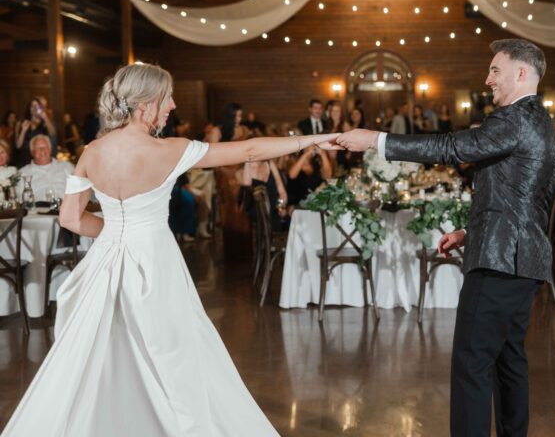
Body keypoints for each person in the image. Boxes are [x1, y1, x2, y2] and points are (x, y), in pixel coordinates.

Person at [1, 63, 341, 436]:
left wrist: (116, 232)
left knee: (103, 357)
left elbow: (70, 218)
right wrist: (309, 141)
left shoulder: (92, 152)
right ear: (145, 104)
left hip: (104, 265)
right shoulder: (171, 150)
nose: (173, 105)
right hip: (155, 264)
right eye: (167, 98)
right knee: (173, 356)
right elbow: (249, 150)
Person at [338, 39, 555, 437]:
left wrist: (377, 140)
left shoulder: (513, 119)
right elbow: (526, 197)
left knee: (471, 365)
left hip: (498, 263)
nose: (487, 79)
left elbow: (452, 147)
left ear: (521, 73)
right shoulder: (542, 121)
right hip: (523, 263)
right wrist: (467, 231)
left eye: (495, 70)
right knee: (509, 362)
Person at [17, 134, 73, 201]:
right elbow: (19, 198)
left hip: (66, 208)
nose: (42, 150)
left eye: (45, 147)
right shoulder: (23, 172)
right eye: (38, 148)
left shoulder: (66, 166)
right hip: (38, 209)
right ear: (32, 152)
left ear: (50, 149)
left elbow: (79, 189)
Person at [15, 98, 56, 166]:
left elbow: (53, 133)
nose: (34, 108)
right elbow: (18, 145)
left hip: (40, 159)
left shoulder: (45, 123)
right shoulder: (22, 123)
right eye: (32, 106)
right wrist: (23, 130)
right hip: (24, 160)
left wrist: (45, 117)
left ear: (41, 108)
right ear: (29, 108)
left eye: (36, 106)